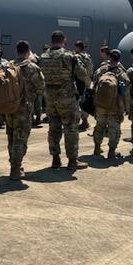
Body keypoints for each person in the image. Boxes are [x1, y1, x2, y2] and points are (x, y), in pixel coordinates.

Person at [39, 31, 90, 170]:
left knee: (53, 128)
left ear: (52, 41)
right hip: (67, 99)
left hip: (50, 98)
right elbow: (82, 74)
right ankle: (72, 161)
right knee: (71, 128)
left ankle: (55, 159)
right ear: (63, 40)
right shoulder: (69, 56)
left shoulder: (42, 57)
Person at [7, 40, 45, 180]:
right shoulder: (32, 67)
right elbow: (41, 86)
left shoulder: (8, 65)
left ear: (17, 51)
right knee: (20, 139)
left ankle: (13, 164)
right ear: (29, 51)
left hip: (9, 107)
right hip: (24, 109)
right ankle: (15, 169)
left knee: (11, 137)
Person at [91, 49, 129, 160]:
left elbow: (94, 84)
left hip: (100, 105)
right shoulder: (122, 73)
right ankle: (111, 152)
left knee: (99, 126)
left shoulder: (101, 70)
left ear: (110, 57)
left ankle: (97, 148)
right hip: (115, 106)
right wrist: (126, 107)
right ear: (119, 58)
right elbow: (125, 92)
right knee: (114, 128)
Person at [74, 41, 94, 131]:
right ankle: (85, 121)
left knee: (78, 102)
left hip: (79, 83)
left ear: (78, 48)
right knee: (84, 101)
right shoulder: (88, 57)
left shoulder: (77, 57)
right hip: (87, 82)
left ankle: (84, 122)